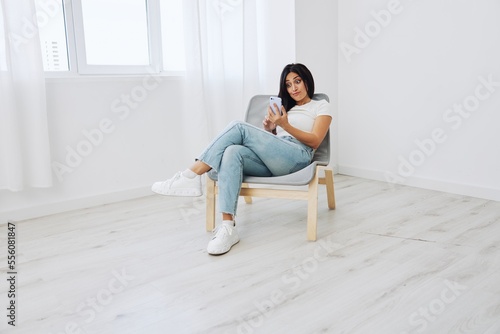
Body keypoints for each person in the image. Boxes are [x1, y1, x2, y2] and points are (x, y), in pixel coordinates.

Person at [152, 63, 332, 255]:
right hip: (276, 158)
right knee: (232, 151)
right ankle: (228, 227)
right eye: (288, 85)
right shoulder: (286, 109)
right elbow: (277, 140)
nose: (293, 88)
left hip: (298, 157)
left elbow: (315, 141)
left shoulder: (321, 105)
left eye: (297, 81)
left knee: (238, 127)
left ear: (307, 81)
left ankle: (190, 175)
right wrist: (271, 129)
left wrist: (285, 125)